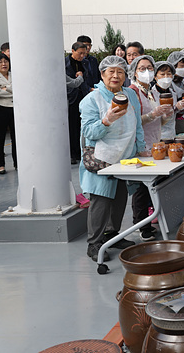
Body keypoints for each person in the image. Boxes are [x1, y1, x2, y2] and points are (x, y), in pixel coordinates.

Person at [79, 56, 145, 261]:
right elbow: (88, 132)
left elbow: (138, 125)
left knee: (119, 197)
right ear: (102, 74)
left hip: (124, 155)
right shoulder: (92, 99)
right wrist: (106, 121)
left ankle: (112, 234)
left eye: (120, 72)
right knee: (101, 200)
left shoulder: (130, 96)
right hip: (101, 156)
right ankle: (94, 243)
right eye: (111, 72)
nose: (116, 76)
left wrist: (141, 149)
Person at [128, 55, 175, 240]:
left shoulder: (153, 93)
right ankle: (141, 225)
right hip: (141, 146)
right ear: (134, 72)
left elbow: (159, 121)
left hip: (156, 143)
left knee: (153, 186)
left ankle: (153, 219)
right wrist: (153, 114)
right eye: (142, 68)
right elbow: (132, 122)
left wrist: (166, 115)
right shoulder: (133, 92)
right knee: (141, 188)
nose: (146, 72)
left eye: (149, 68)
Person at [66, 41, 91, 164]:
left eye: (84, 54)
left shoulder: (86, 63)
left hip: (84, 96)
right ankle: (72, 153)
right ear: (72, 51)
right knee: (72, 127)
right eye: (80, 53)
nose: (82, 56)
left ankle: (82, 152)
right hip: (71, 98)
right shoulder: (65, 63)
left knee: (84, 126)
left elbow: (88, 78)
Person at [0, 52, 16, 174]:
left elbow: (20, 89)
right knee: (0, 138)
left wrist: (6, 88)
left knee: (16, 137)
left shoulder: (14, 74)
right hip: (1, 109)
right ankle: (0, 165)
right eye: (0, 62)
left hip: (15, 108)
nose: (4, 64)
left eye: (6, 61)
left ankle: (18, 163)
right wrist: (12, 89)